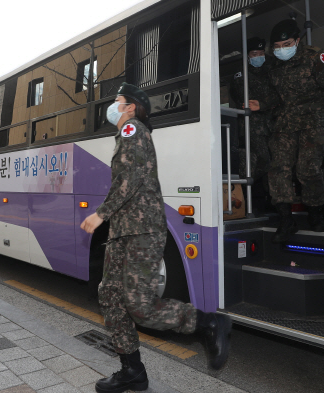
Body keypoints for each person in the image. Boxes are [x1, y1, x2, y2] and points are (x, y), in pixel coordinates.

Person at [81, 83, 232, 393]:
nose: (114, 107)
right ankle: (132, 371)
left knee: (140, 305)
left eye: (118, 102)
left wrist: (101, 214)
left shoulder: (133, 130)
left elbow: (131, 178)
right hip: (124, 231)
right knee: (110, 296)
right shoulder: (127, 134)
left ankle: (207, 323)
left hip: (142, 230)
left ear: (131, 107)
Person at [264, 19, 324, 243]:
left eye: (286, 44)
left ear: (297, 41)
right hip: (286, 123)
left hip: (315, 121)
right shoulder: (274, 66)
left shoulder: (315, 59)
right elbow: (275, 97)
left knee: (307, 170)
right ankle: (286, 220)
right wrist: (260, 104)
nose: (282, 50)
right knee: (278, 169)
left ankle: (315, 214)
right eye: (277, 46)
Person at [230, 37, 275, 182]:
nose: (259, 57)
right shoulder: (241, 72)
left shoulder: (271, 68)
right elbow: (247, 99)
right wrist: (266, 101)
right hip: (253, 126)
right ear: (248, 55)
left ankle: (268, 198)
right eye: (255, 54)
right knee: (263, 160)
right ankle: (251, 192)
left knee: (276, 162)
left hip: (272, 124)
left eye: (262, 53)